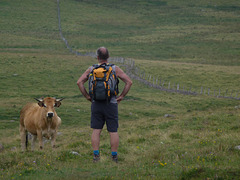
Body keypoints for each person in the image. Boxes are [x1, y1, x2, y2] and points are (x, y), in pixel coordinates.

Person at [77, 47, 132, 163]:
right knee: (113, 131)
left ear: (97, 57)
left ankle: (96, 156)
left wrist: (87, 96)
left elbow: (79, 82)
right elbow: (129, 82)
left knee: (96, 130)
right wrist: (121, 96)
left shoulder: (92, 69)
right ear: (108, 57)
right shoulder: (114, 68)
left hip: (96, 103)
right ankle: (114, 157)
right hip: (111, 103)